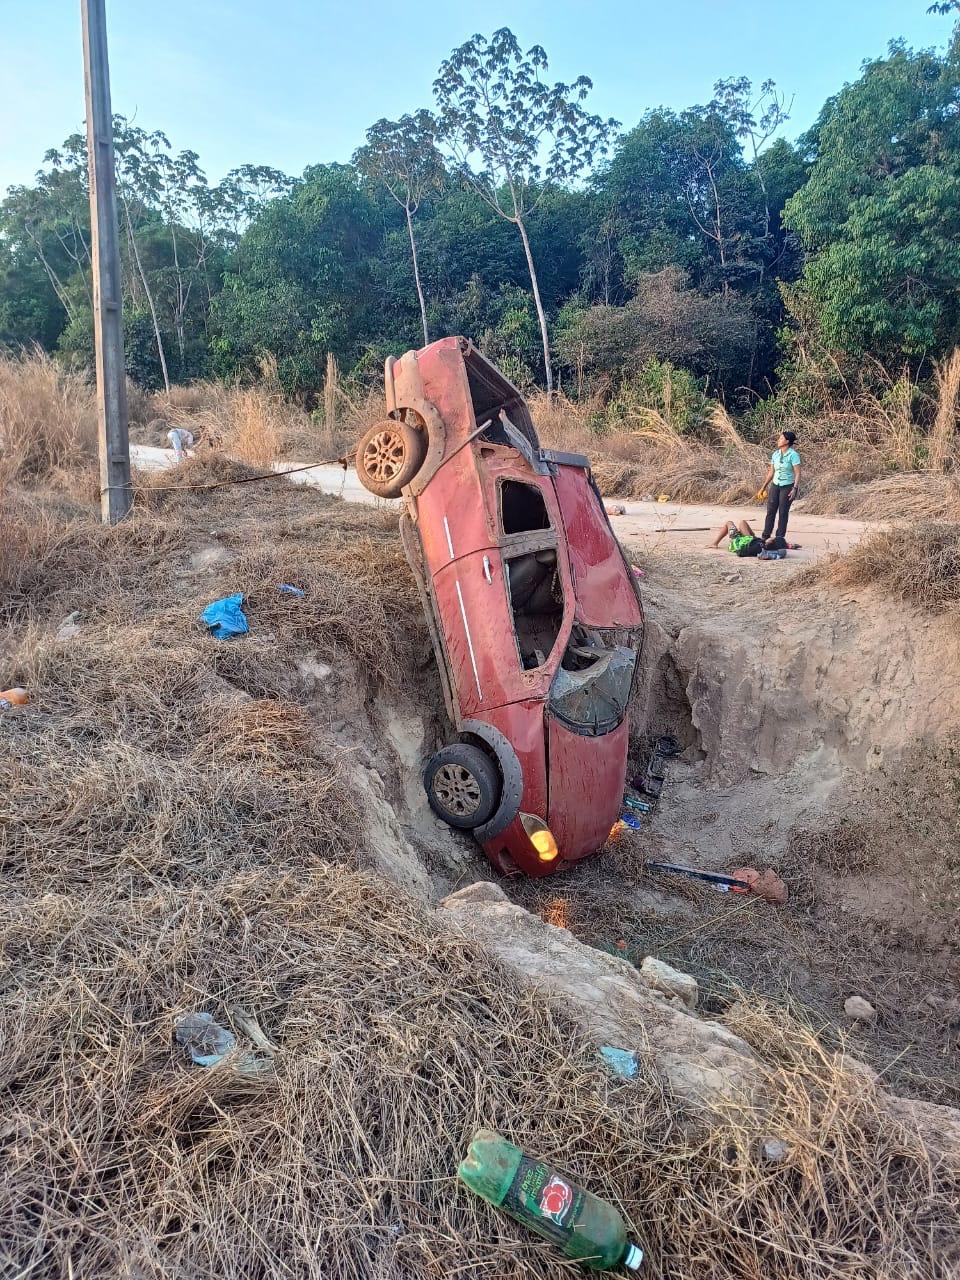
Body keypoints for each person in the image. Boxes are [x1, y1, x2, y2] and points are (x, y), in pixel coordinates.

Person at [759, 430, 802, 543]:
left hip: (787, 486)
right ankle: (766, 535)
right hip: (775, 484)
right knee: (770, 510)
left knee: (783, 512)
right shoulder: (776, 454)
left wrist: (794, 488)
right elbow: (771, 472)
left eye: (781, 438)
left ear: (787, 441)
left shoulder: (793, 455)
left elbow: (797, 473)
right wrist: (763, 487)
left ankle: (779, 537)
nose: (779, 440)